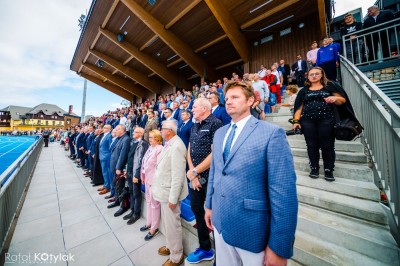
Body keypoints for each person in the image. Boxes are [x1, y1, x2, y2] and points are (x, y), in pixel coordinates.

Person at [204, 81, 298, 265]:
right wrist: (209, 205)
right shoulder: (220, 133)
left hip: (252, 231)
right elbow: (215, 173)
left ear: (250, 101)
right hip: (220, 224)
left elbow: (284, 193)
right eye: (227, 98)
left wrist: (279, 248)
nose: (229, 101)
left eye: (235, 97)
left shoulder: (271, 133)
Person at [293, 67, 348, 181]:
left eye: (316, 74)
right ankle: (314, 168)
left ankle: (328, 169)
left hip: (327, 120)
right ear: (307, 77)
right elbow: (298, 107)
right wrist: (296, 121)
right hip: (308, 121)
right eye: (311, 74)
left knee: (327, 146)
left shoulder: (330, 86)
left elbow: (342, 100)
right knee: (311, 145)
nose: (314, 76)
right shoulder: (304, 90)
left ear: (322, 75)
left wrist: (335, 98)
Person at [186, 98, 222, 264]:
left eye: (194, 107)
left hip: (210, 178)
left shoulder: (216, 123)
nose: (191, 109)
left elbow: (215, 153)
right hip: (196, 178)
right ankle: (206, 248)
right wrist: (193, 175)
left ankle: (222, 255)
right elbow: (189, 150)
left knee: (213, 215)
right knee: (197, 210)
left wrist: (194, 171)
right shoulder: (194, 125)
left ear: (205, 108)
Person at [152, 120, 188, 266]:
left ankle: (176, 256)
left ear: (170, 131)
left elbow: (178, 176)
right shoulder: (170, 143)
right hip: (163, 191)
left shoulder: (177, 145)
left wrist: (173, 198)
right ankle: (170, 246)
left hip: (169, 195)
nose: (160, 130)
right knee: (168, 224)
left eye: (162, 128)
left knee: (173, 226)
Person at [140, 130, 164, 241]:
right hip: (147, 179)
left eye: (151, 137)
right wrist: (143, 176)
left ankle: (154, 228)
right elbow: (144, 162)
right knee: (149, 202)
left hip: (154, 181)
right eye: (149, 137)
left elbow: (159, 167)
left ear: (158, 139)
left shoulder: (160, 149)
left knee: (154, 205)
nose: (149, 139)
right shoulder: (151, 147)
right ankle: (149, 222)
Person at [123, 127, 149, 223]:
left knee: (136, 193)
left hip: (135, 173)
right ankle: (132, 210)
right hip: (130, 171)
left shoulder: (144, 144)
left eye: (135, 132)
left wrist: (136, 175)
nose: (133, 133)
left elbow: (141, 161)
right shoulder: (133, 142)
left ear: (141, 134)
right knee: (131, 191)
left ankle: (136, 213)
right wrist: (126, 170)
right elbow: (130, 158)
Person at [108, 125, 131, 210]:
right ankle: (117, 200)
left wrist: (118, 167)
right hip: (115, 167)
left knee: (121, 187)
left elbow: (123, 155)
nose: (115, 131)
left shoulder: (126, 139)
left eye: (117, 130)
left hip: (119, 168)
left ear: (122, 130)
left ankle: (123, 206)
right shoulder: (119, 138)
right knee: (117, 186)